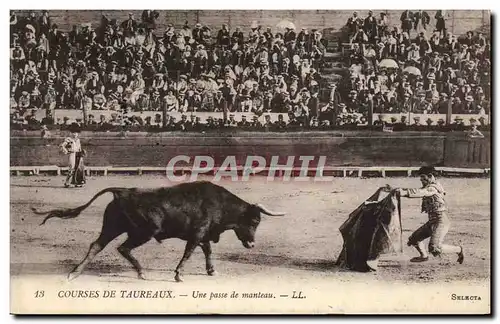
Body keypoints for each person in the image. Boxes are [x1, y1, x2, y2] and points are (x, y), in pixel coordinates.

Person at [393, 166, 464, 264]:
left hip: (441, 221)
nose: (421, 180)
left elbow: (421, 192)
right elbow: (418, 190)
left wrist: (403, 193)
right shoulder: (430, 186)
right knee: (414, 239)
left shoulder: (433, 188)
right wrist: (399, 189)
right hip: (432, 221)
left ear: (430, 176)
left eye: (423, 177)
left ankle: (459, 249)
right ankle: (424, 256)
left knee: (434, 248)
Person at [60, 123, 86, 188]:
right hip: (72, 154)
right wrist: (65, 151)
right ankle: (67, 182)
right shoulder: (68, 139)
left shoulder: (78, 140)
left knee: (79, 168)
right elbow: (62, 146)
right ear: (70, 133)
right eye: (73, 132)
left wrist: (82, 152)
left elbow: (79, 148)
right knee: (72, 168)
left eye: (76, 132)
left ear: (78, 133)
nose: (75, 134)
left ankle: (77, 182)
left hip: (78, 154)